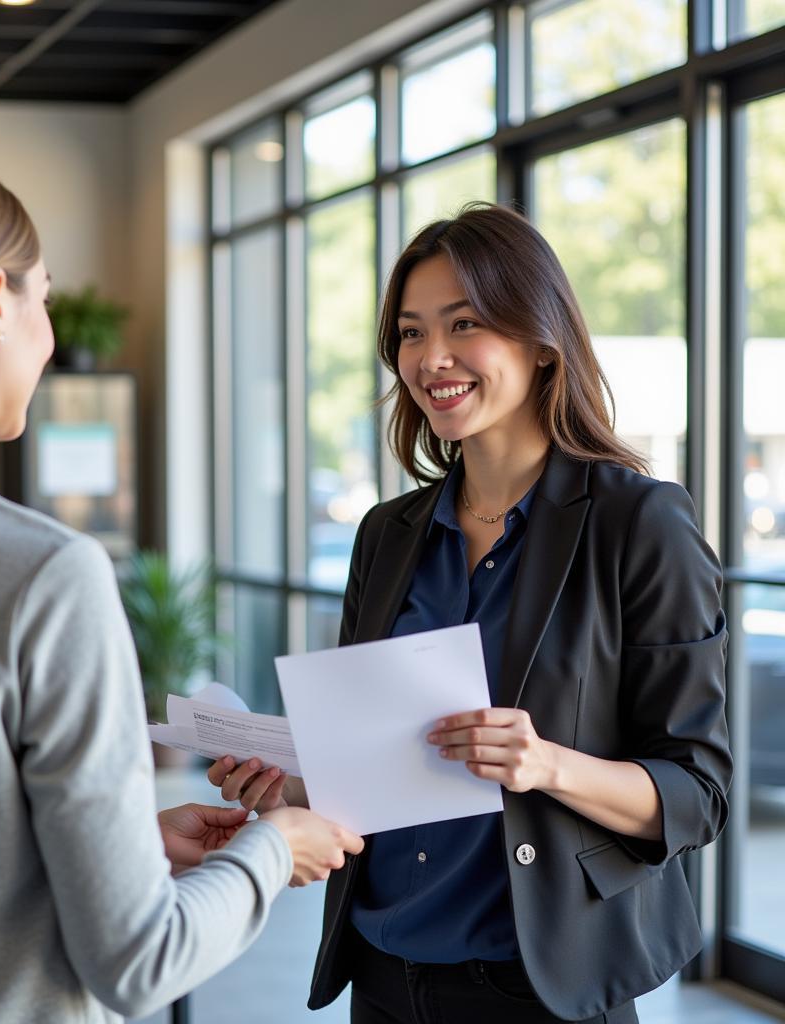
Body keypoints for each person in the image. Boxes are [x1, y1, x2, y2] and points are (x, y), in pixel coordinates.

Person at [0, 144, 363, 1024]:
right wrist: (274, 848)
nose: (48, 335)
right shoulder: (43, 575)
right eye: (44, 297)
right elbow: (140, 962)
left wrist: (118, 854)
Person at [208, 202, 731, 1023]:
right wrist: (286, 786)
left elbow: (697, 794)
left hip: (535, 990)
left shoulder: (639, 522)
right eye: (411, 333)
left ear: (539, 337)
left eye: (465, 324)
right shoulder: (388, 534)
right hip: (384, 976)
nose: (432, 358)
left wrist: (543, 763)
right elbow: (373, 774)